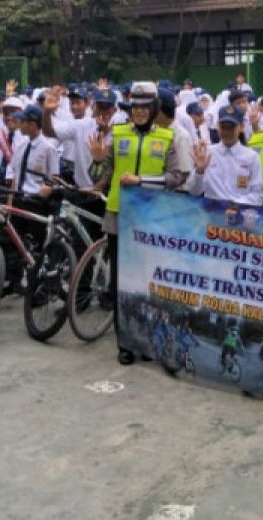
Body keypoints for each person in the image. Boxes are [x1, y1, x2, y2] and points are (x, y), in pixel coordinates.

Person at [89, 81, 184, 365]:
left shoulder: (168, 137)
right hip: (119, 216)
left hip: (152, 220)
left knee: (148, 282)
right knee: (121, 283)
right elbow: (102, 173)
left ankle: (147, 339)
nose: (139, 112)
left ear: (154, 108)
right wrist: (95, 161)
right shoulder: (117, 135)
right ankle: (125, 342)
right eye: (135, 107)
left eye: (145, 107)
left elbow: (177, 177)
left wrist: (143, 181)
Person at [184, 105, 263, 206]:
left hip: (239, 214)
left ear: (242, 127)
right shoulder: (207, 153)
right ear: (217, 126)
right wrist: (199, 171)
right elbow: (194, 191)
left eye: (231, 127)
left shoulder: (252, 157)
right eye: (223, 127)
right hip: (210, 215)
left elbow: (258, 195)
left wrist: (234, 205)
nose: (227, 132)